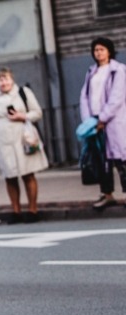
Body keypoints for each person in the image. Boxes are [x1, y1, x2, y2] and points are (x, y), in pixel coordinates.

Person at [0, 67, 48, 223]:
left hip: (22, 139)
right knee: (9, 177)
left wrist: (22, 116)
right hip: (2, 143)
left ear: (12, 79)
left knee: (28, 174)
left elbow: (37, 112)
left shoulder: (23, 92)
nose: (3, 82)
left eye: (6, 78)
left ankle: (33, 210)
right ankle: (16, 211)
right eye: (0, 80)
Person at [79, 37, 126, 209]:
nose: (98, 53)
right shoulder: (91, 71)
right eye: (96, 50)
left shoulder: (118, 70)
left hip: (114, 122)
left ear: (109, 51)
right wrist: (89, 121)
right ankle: (107, 194)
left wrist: (103, 118)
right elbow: (84, 96)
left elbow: (117, 97)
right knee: (101, 160)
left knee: (122, 159)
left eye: (102, 49)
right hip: (95, 123)